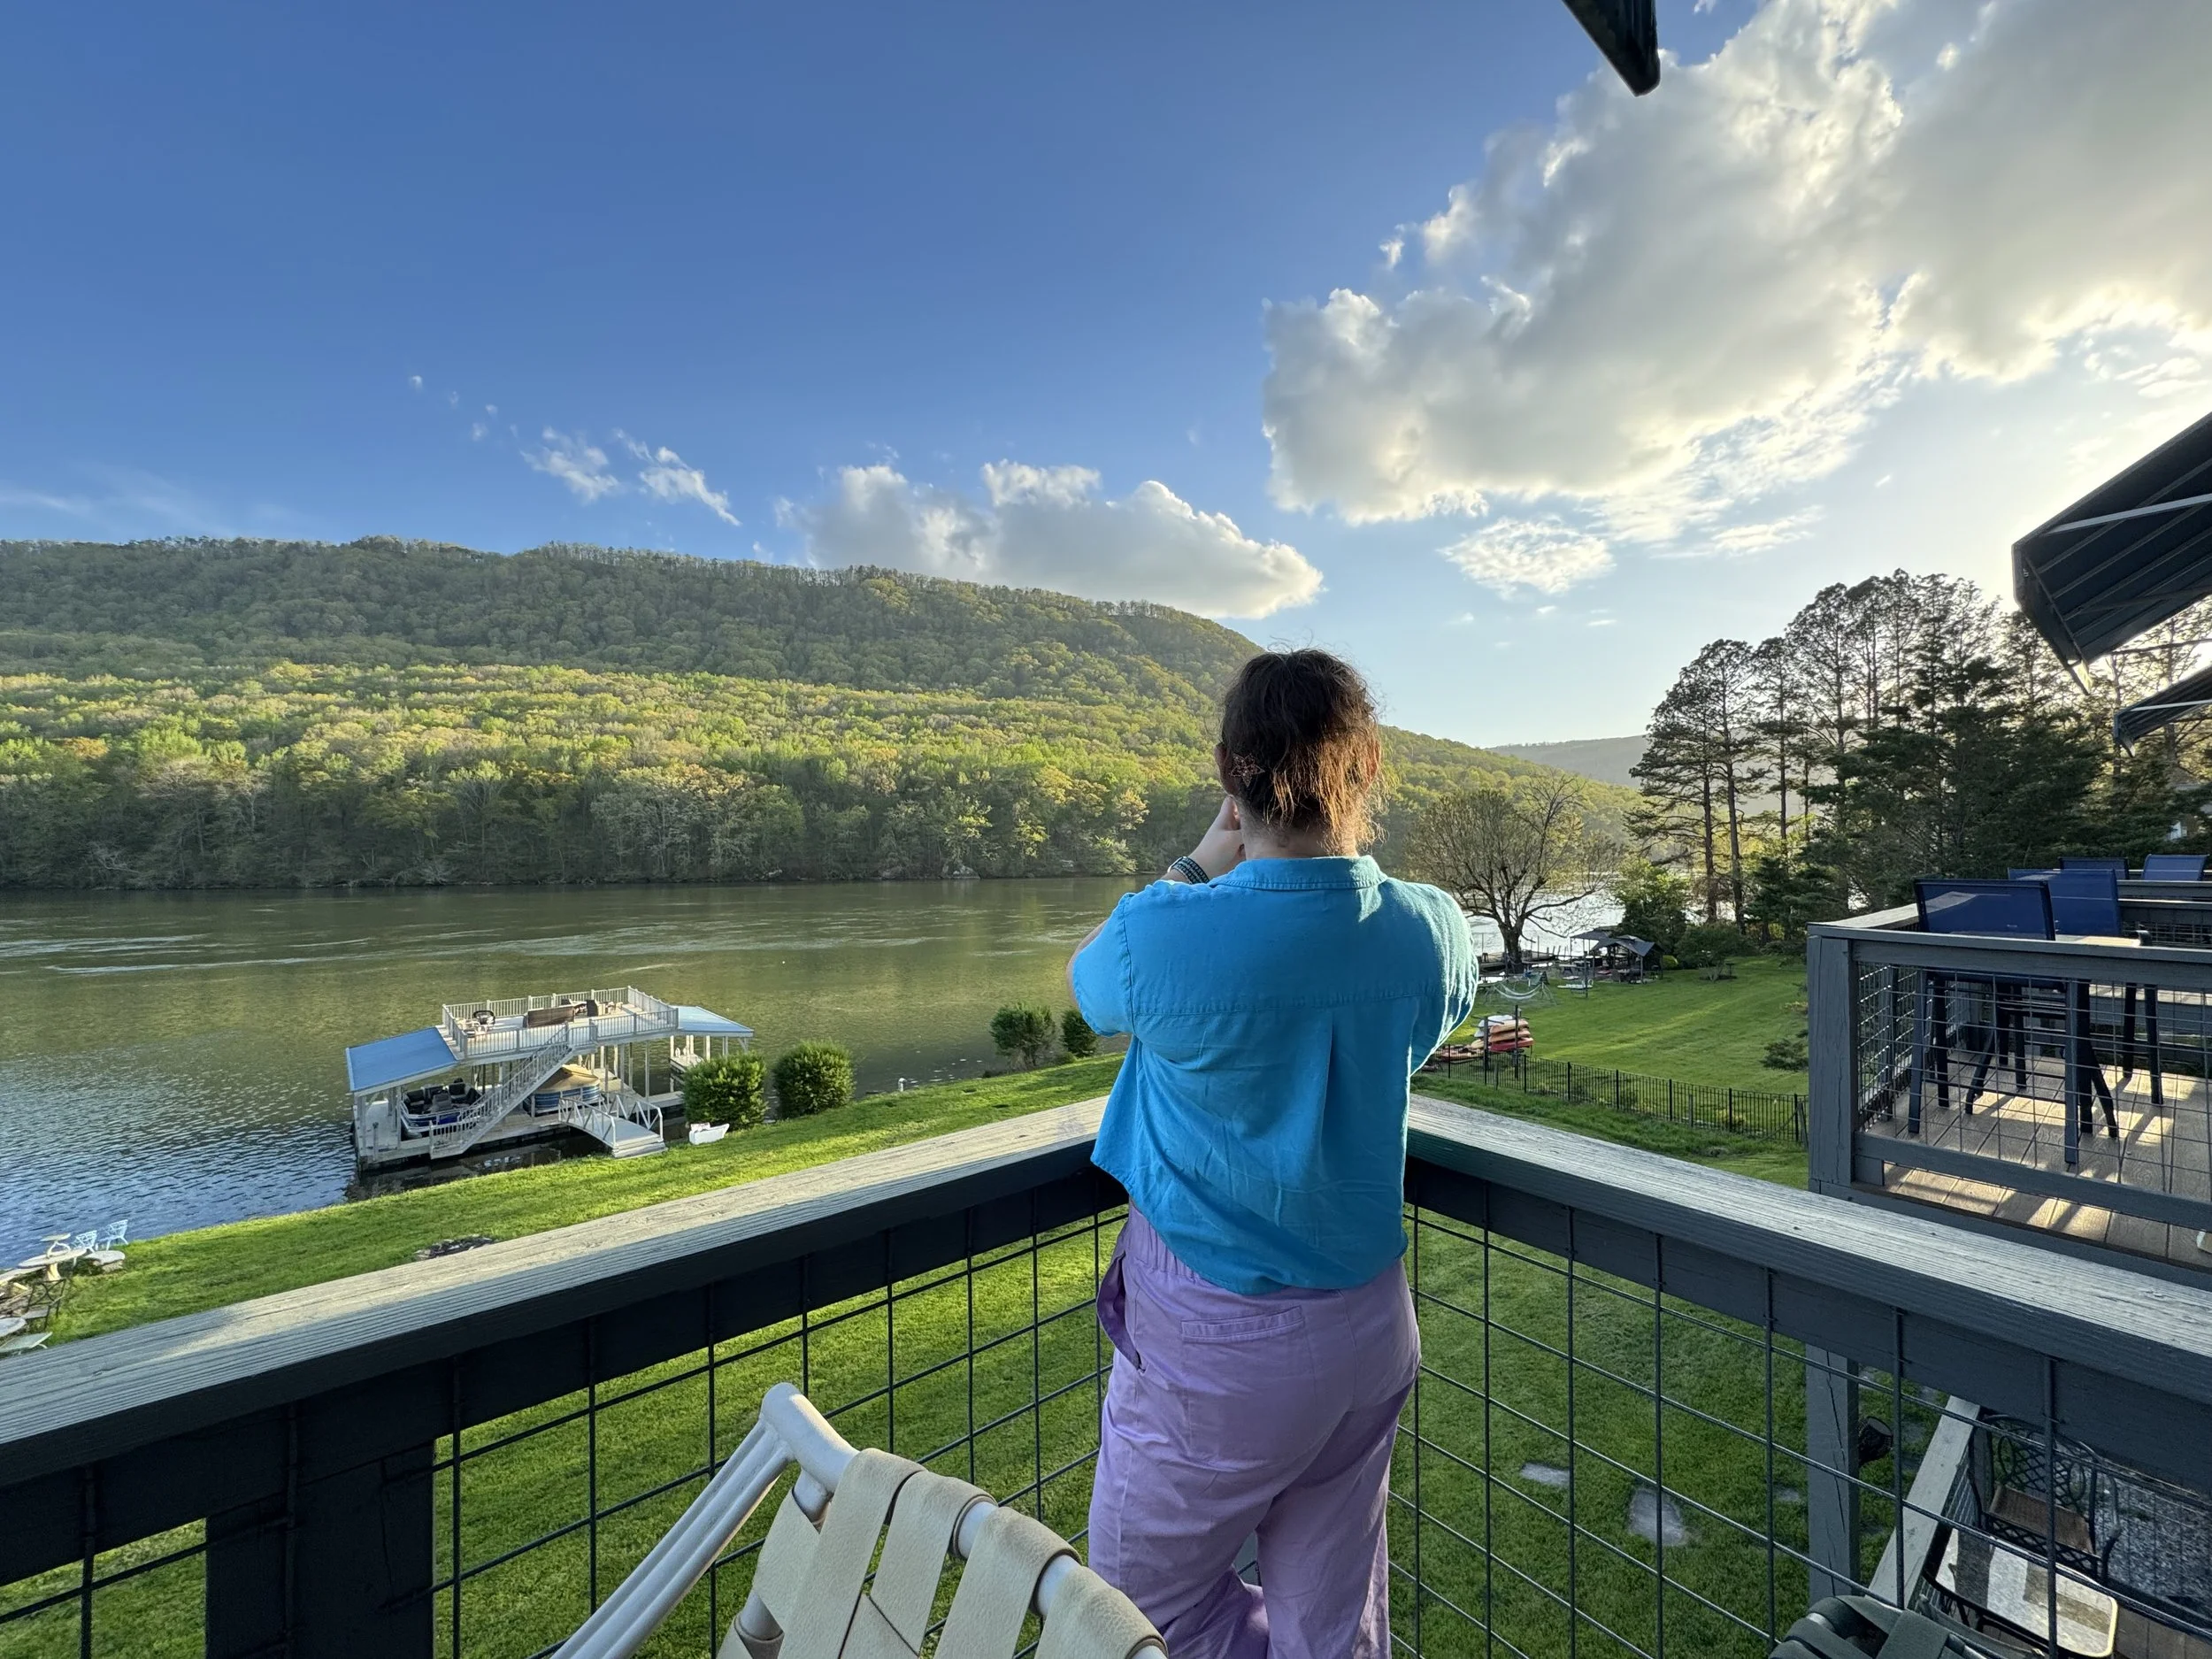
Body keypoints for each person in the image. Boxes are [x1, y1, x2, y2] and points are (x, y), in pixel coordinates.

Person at [1067, 648, 1478, 1659]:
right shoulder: (1427, 931)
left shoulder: (1165, 936)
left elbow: (1088, 991)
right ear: (1369, 763)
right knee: (1331, 1619)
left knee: (1131, 1616)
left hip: (1214, 1350)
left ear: (1227, 773)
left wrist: (1205, 858)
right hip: (1366, 1333)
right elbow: (1427, 1025)